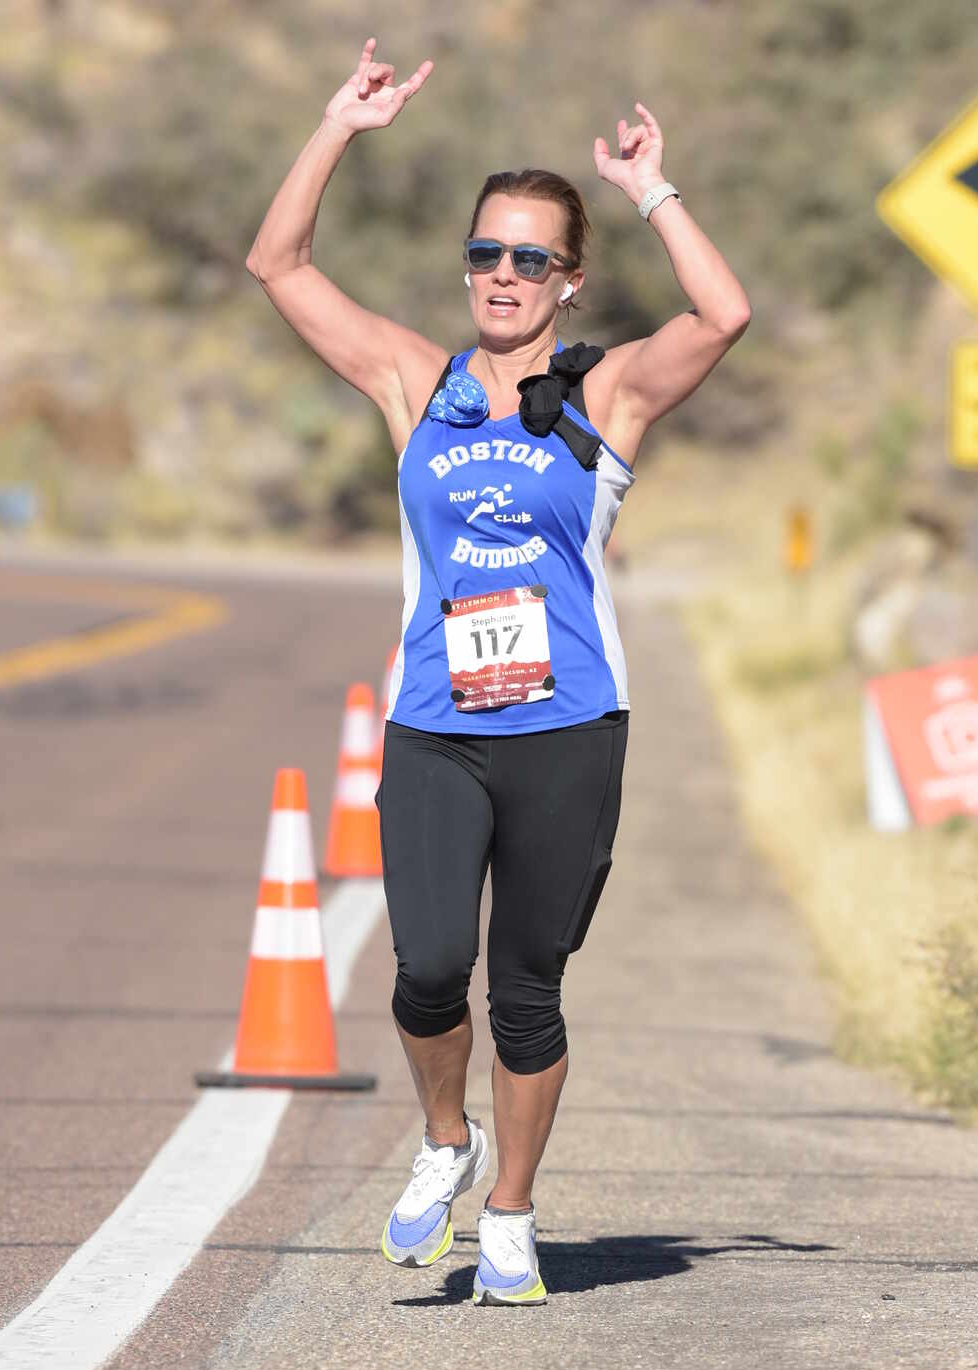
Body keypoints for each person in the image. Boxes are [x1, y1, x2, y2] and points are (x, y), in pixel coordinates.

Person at [246, 36, 750, 1303]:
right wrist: (338, 126)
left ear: (571, 282)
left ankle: (512, 1211)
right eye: (486, 253)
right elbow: (279, 266)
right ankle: (445, 1140)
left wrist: (652, 190)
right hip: (436, 721)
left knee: (528, 990)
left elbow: (723, 316)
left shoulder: (606, 394)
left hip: (569, 727)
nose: (504, 276)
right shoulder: (415, 382)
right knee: (426, 966)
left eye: (531, 259)